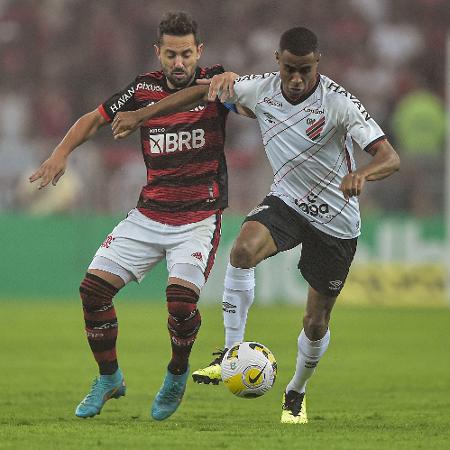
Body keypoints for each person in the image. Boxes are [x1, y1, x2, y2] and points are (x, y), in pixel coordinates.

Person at [111, 27, 400, 424]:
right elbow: (200, 91)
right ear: (277, 61)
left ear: (317, 64)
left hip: (336, 221)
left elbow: (389, 157)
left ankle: (296, 389)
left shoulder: (339, 104)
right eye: (290, 70)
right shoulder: (260, 89)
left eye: (305, 70)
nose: (297, 79)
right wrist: (142, 114)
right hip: (288, 203)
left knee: (315, 322)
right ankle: (232, 354)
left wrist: (363, 175)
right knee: (242, 250)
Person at [29, 11, 237, 421]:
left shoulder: (215, 82)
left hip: (197, 217)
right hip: (149, 213)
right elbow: (94, 119)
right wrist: (61, 152)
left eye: (187, 54)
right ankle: (109, 378)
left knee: (180, 303)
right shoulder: (142, 88)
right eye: (172, 55)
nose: (179, 63)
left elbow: (230, 95)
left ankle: (177, 372)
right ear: (158, 53)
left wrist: (229, 82)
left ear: (200, 52)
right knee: (92, 291)